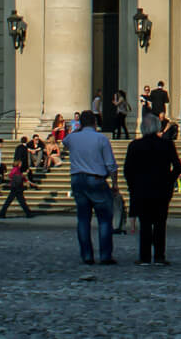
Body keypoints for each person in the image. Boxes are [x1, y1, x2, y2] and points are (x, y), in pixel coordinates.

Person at [123, 113, 178, 265]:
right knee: (160, 224)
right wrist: (169, 181)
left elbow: (128, 170)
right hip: (162, 189)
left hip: (142, 190)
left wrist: (133, 186)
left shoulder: (134, 145)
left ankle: (145, 257)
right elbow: (178, 166)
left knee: (145, 224)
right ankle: (160, 256)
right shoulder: (167, 144)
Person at [66, 109, 120, 265]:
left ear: (81, 123)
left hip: (77, 180)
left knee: (83, 220)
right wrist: (115, 184)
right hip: (96, 180)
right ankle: (105, 255)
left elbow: (64, 142)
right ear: (95, 122)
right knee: (104, 220)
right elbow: (111, 165)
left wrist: (79, 130)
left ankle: (87, 255)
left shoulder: (73, 138)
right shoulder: (101, 139)